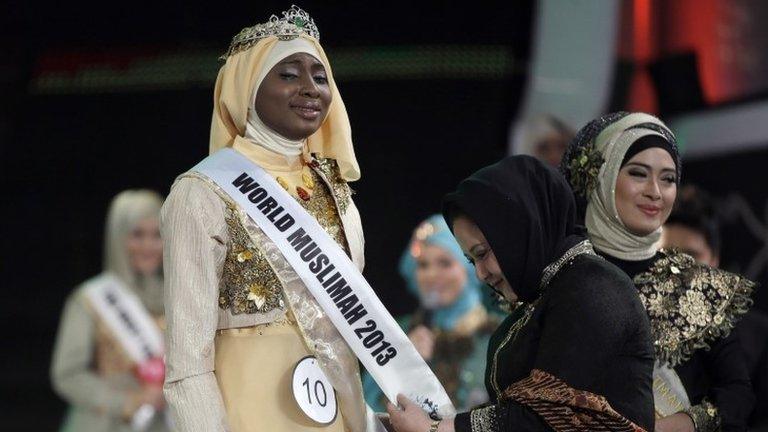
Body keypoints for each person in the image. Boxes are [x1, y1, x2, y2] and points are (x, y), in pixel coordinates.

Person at [161, 6, 378, 432]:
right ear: (246, 87)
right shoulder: (202, 193)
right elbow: (187, 360)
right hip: (247, 413)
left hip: (335, 411)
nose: (311, 88)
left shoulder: (335, 191)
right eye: (288, 74)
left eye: (320, 75)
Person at [387, 156, 655, 432]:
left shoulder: (593, 287)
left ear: (519, 230)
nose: (481, 274)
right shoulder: (544, 297)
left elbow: (545, 418)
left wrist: (434, 430)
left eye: (482, 254)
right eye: (471, 261)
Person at [560, 112, 756, 432]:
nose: (656, 191)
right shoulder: (563, 275)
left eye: (668, 179)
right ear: (603, 177)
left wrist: (682, 423)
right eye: (638, 174)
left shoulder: (695, 285)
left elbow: (737, 393)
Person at [51, 190, 169, 432]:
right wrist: (127, 402)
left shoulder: (177, 296)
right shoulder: (90, 299)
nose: (148, 245)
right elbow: (68, 374)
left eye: (157, 235)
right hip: (106, 423)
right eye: (137, 235)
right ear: (118, 236)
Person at [363, 215, 495, 412]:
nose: (432, 275)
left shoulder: (502, 336)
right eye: (423, 265)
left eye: (445, 263)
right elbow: (367, 409)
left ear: (470, 266)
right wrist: (403, 363)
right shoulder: (395, 333)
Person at [663, 185, 768, 431]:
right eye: (668, 255)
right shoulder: (638, 328)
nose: (680, 268)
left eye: (692, 255)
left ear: (714, 259)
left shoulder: (760, 336)